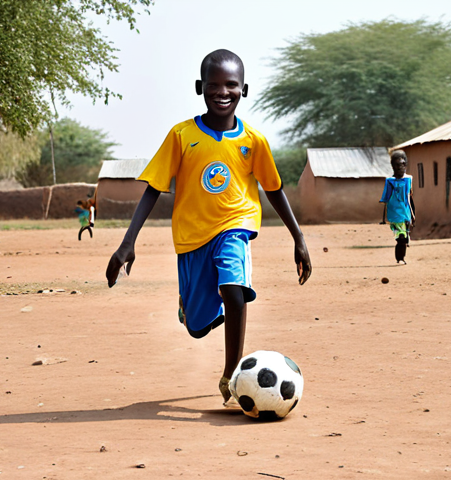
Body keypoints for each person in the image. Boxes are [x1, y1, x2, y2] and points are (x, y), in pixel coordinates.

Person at [105, 49, 311, 403]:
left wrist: (299, 237)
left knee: (234, 289)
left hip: (236, 224)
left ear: (244, 89)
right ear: (200, 87)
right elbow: (154, 188)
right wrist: (127, 243)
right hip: (192, 239)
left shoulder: (253, 141)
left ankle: (231, 374)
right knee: (197, 328)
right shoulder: (182, 136)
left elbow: (273, 189)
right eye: (214, 85)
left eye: (231, 85)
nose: (222, 92)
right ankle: (195, 309)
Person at [379, 150, 415, 264]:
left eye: (403, 164)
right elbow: (386, 198)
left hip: (405, 212)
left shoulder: (409, 179)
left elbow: (410, 197)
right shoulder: (390, 181)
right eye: (398, 165)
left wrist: (413, 213)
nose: (401, 167)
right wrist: (384, 218)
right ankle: (400, 258)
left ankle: (401, 255)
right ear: (393, 166)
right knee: (401, 237)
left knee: (404, 236)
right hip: (394, 213)